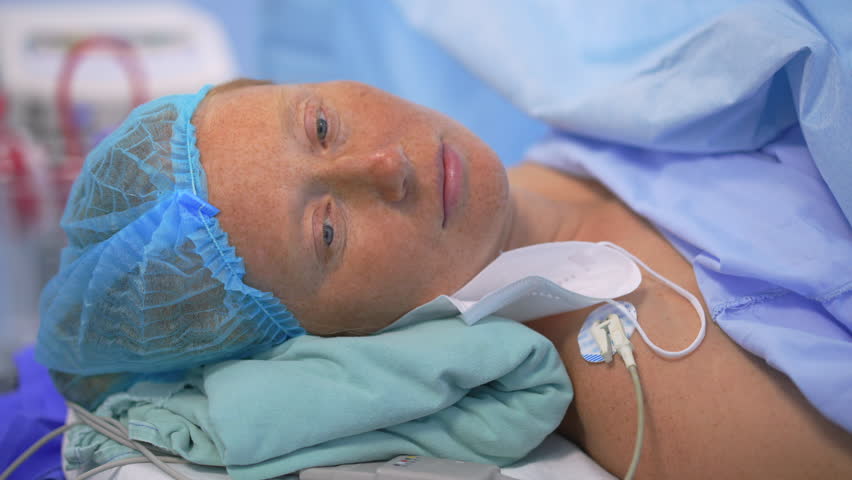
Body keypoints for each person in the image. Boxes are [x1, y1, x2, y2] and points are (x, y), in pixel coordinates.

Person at [38, 79, 852, 479]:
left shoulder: (606, 104)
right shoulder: (649, 382)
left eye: (321, 125)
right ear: (332, 336)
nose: (384, 165)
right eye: (328, 230)